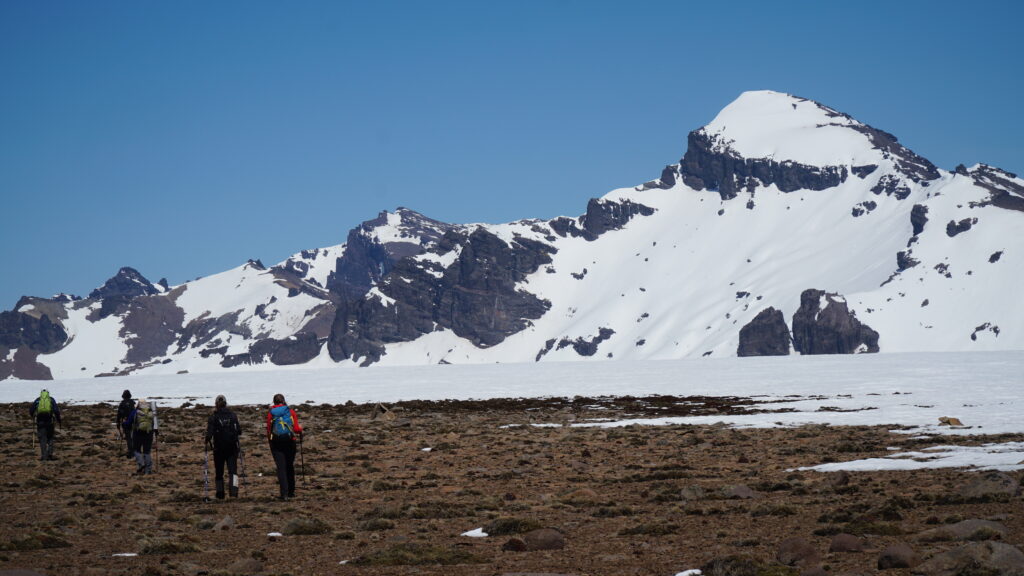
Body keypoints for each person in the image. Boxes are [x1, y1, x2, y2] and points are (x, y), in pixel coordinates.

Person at [266, 394, 303, 500]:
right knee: (289, 466)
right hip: (290, 442)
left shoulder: (271, 413)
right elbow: (296, 429)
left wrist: (270, 442)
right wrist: (301, 430)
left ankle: (284, 494)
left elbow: (268, 430)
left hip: (276, 443)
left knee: (281, 468)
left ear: (274, 402)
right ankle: (291, 491)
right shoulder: (290, 412)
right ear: (284, 401)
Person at [205, 395, 242, 499]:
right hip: (232, 448)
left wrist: (207, 440)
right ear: (226, 403)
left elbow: (209, 434)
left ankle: (220, 493)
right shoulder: (233, 415)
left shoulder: (213, 417)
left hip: (219, 448)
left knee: (219, 471)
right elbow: (239, 431)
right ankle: (234, 493)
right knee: (233, 471)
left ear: (216, 404)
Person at [127, 398, 159, 475]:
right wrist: (156, 432)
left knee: (136, 450)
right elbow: (155, 424)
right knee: (147, 452)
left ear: (138, 404)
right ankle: (148, 470)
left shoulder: (135, 412)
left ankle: (141, 464)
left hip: (137, 434)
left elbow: (128, 423)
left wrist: (125, 425)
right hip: (149, 434)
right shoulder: (151, 412)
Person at [29, 389, 62, 461]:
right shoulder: (51, 400)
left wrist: (33, 416)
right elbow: (56, 410)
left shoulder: (38, 400)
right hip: (50, 422)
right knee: (50, 438)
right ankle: (50, 455)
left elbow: (31, 410)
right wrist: (59, 420)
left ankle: (44, 456)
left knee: (42, 439)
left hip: (40, 423)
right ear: (48, 393)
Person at [116, 390, 135, 459]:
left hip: (126, 422)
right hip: (134, 422)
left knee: (128, 438)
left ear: (123, 396)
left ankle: (131, 452)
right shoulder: (133, 403)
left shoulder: (122, 404)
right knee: (133, 437)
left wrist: (118, 423)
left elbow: (119, 414)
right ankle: (133, 451)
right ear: (130, 395)